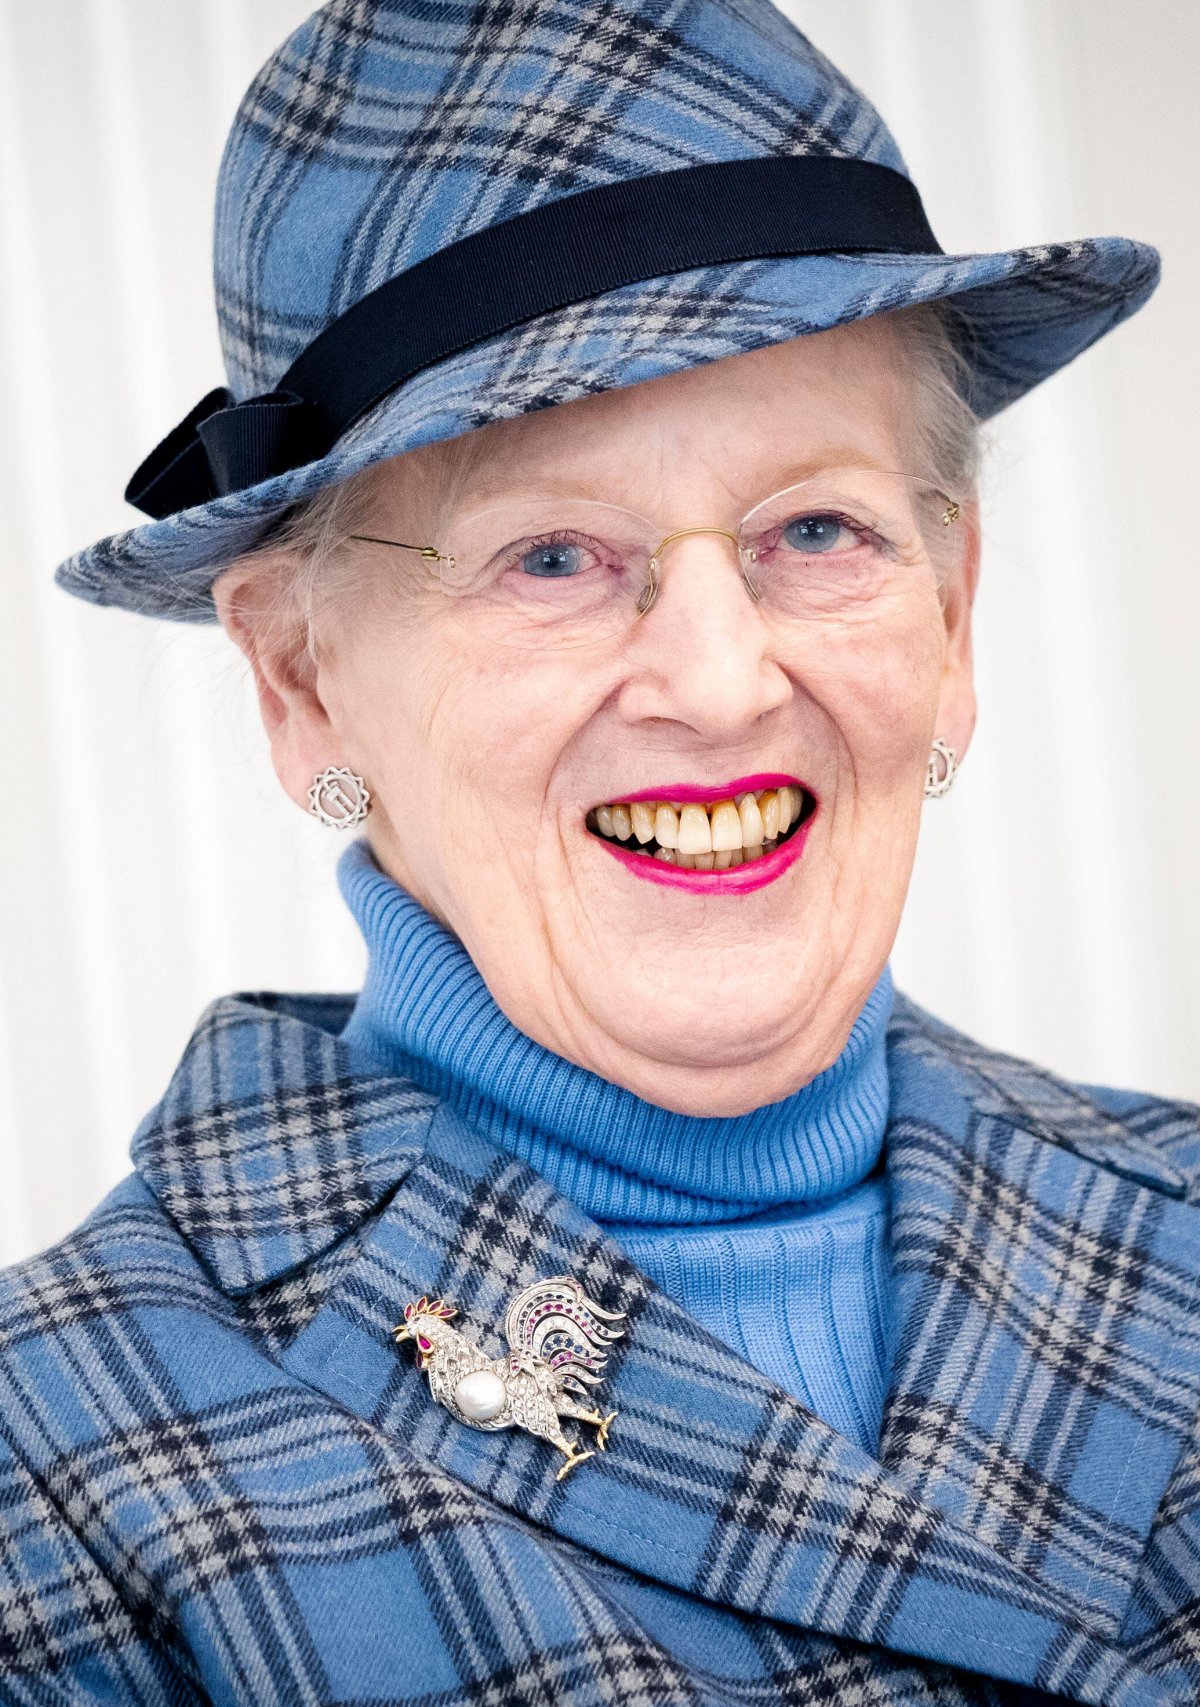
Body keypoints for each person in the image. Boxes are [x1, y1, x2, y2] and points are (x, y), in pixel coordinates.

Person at [3, 1, 1198, 1702]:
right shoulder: (51, 1466)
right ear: (303, 684)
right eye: (552, 554)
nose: (720, 683)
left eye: (818, 530)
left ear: (954, 613)